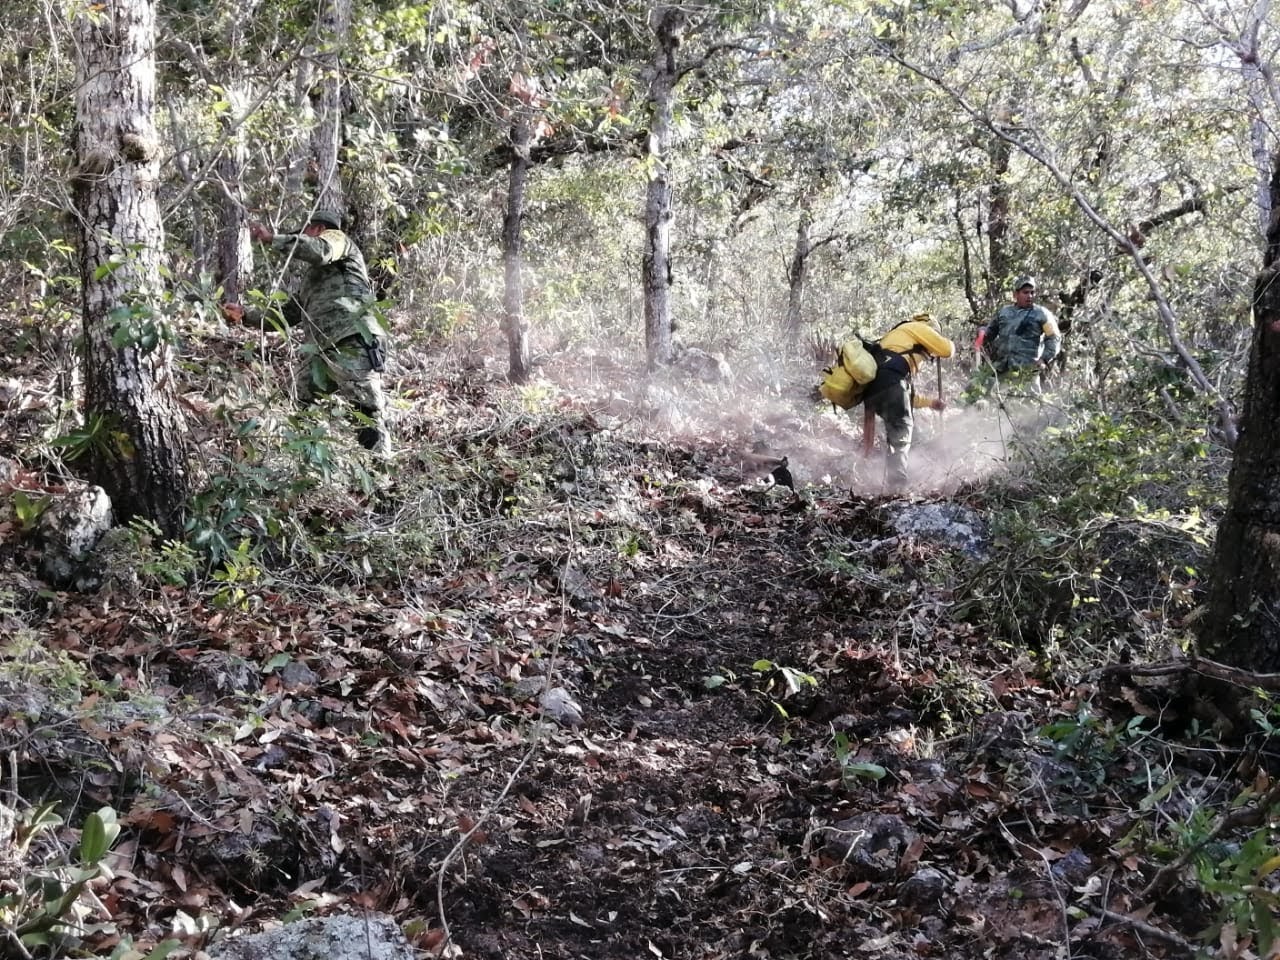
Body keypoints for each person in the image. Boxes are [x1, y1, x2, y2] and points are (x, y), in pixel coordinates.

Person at [246, 209, 391, 457]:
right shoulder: (311, 280)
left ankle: (382, 481)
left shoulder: (337, 240)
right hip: (320, 354)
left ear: (316, 229)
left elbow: (321, 251)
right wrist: (245, 315)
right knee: (301, 408)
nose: (302, 237)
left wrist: (272, 239)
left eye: (304, 232)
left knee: (366, 413)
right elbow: (288, 314)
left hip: (351, 340)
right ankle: (308, 473)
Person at [862, 313, 955, 491]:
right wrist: (949, 342)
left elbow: (904, 396)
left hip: (872, 386)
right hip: (891, 382)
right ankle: (897, 488)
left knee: (895, 430)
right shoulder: (920, 328)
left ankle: (878, 481)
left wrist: (930, 403)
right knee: (901, 429)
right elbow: (947, 350)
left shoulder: (897, 337)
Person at [973, 274, 1060, 396]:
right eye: (1025, 292)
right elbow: (990, 331)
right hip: (1003, 370)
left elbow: (1054, 337)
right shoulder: (1004, 312)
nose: (1029, 296)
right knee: (999, 405)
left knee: (1028, 407)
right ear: (1016, 294)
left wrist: (1044, 359)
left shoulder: (1041, 314)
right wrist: (982, 333)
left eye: (1032, 292)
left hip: (1027, 371)